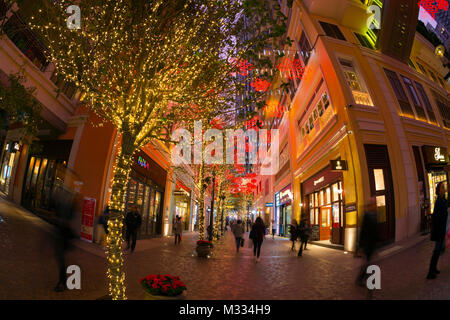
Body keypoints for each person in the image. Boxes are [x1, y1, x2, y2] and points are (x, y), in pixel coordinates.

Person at [52, 173, 79, 292]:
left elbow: (69, 218)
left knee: (61, 258)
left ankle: (62, 283)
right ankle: (63, 282)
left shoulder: (69, 205)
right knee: (60, 258)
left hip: (62, 234)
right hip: (61, 233)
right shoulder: (65, 204)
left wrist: (61, 220)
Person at [427, 182, 448, 279]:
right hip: (439, 229)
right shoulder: (439, 201)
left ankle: (434, 268)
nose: (444, 188)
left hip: (442, 228)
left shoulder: (444, 199)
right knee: (437, 250)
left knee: (438, 250)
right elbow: (437, 217)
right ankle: (430, 272)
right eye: (442, 187)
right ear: (439, 190)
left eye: (444, 187)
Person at [356, 200, 378, 286]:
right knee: (367, 263)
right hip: (367, 244)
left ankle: (363, 278)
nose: (375, 206)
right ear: (370, 206)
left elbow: (375, 231)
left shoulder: (374, 215)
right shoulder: (367, 216)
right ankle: (362, 278)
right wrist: (360, 246)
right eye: (373, 205)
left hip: (371, 244)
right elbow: (363, 232)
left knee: (368, 263)